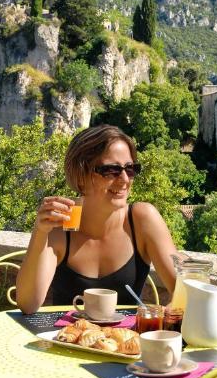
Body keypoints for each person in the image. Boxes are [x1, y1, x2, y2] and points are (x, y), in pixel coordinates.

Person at [15, 124, 179, 314]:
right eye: (111, 170)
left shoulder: (142, 219)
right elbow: (28, 304)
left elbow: (183, 289)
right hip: (68, 340)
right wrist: (40, 232)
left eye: (130, 168)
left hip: (125, 342)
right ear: (81, 175)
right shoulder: (62, 227)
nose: (125, 179)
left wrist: (170, 311)